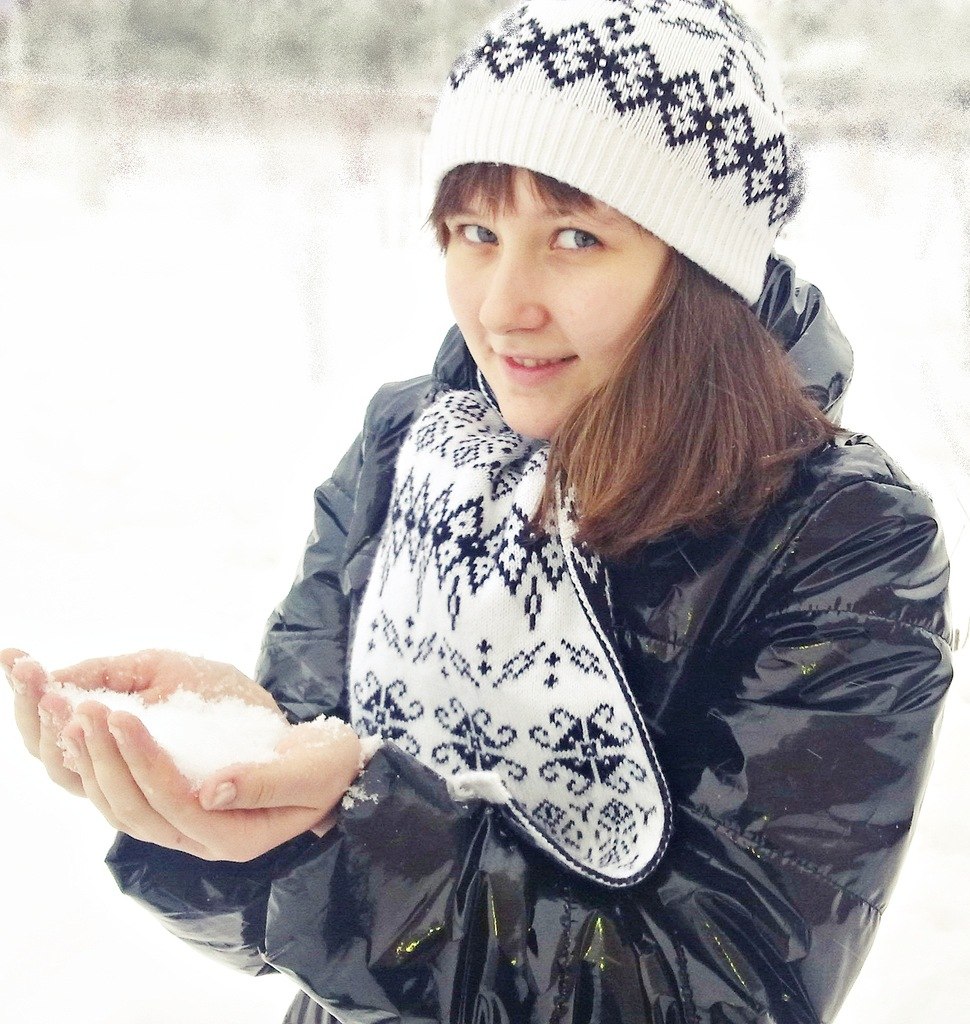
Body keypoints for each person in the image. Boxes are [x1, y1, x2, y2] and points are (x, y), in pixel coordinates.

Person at [3, 2, 954, 1021]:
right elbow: (287, 920)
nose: (504, 305)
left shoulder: (840, 540)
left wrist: (361, 822)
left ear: (696, 266)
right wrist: (229, 780)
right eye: (475, 232)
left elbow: (730, 992)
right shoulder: (409, 448)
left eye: (577, 237)